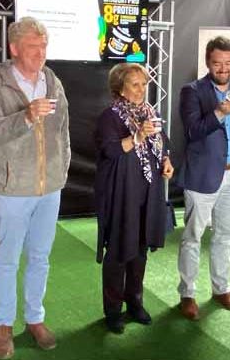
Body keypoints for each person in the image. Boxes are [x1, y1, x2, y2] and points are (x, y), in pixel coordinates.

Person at [0, 17, 70, 358]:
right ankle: (3, 326)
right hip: (11, 189)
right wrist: (26, 116)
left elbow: (63, 131)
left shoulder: (52, 81)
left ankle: (34, 318)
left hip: (49, 188)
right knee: (8, 259)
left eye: (44, 46)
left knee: (40, 257)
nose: (40, 53)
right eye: (33, 46)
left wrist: (61, 170)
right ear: (14, 48)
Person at [176, 36, 230, 320]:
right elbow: (192, 131)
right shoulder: (192, 91)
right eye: (217, 63)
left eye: (228, 62)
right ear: (207, 62)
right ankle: (187, 294)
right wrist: (220, 112)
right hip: (202, 177)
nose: (223, 68)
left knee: (224, 237)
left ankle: (222, 290)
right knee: (192, 238)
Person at [94, 63, 174, 334]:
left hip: (148, 193)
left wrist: (166, 160)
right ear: (120, 88)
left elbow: (163, 143)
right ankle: (113, 310)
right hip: (121, 193)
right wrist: (137, 136)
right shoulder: (110, 117)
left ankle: (135, 302)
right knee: (118, 250)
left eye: (144, 84)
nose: (141, 90)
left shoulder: (151, 112)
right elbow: (110, 151)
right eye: (135, 84)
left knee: (140, 249)